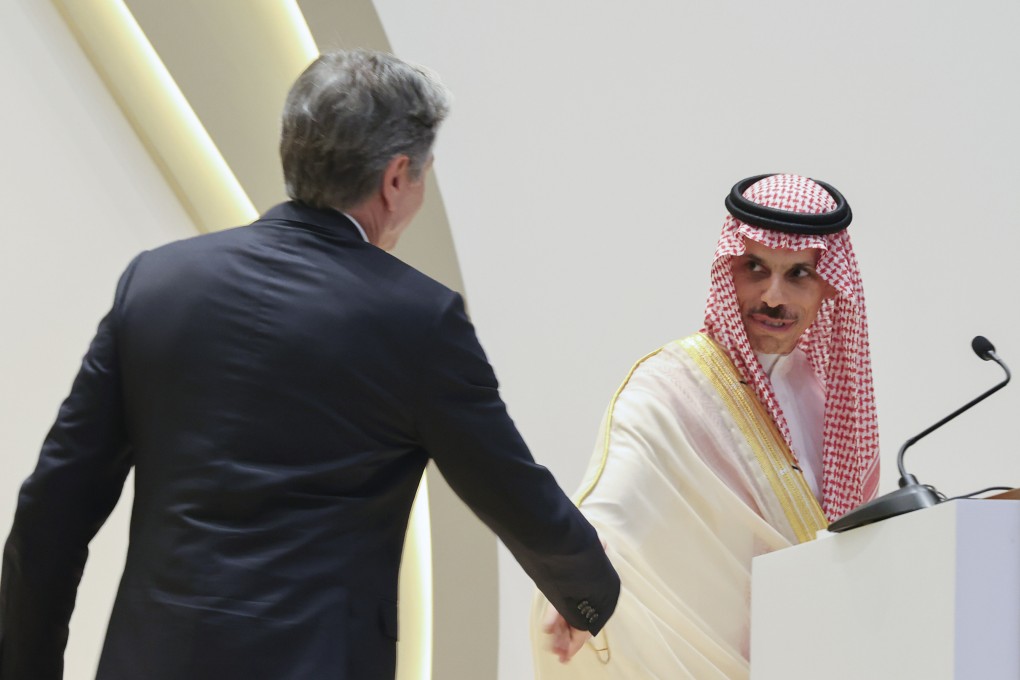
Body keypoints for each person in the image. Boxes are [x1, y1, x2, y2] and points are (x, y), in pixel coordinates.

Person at [0, 49, 619, 680]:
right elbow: (510, 488)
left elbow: (53, 507)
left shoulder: (156, 283)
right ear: (397, 176)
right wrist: (585, 589)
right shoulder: (418, 320)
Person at [531, 173, 879, 678]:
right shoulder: (671, 386)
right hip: (700, 657)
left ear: (828, 286)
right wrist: (578, 582)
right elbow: (613, 506)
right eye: (755, 268)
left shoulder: (830, 400)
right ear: (727, 269)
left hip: (807, 654)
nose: (774, 296)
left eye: (798, 274)